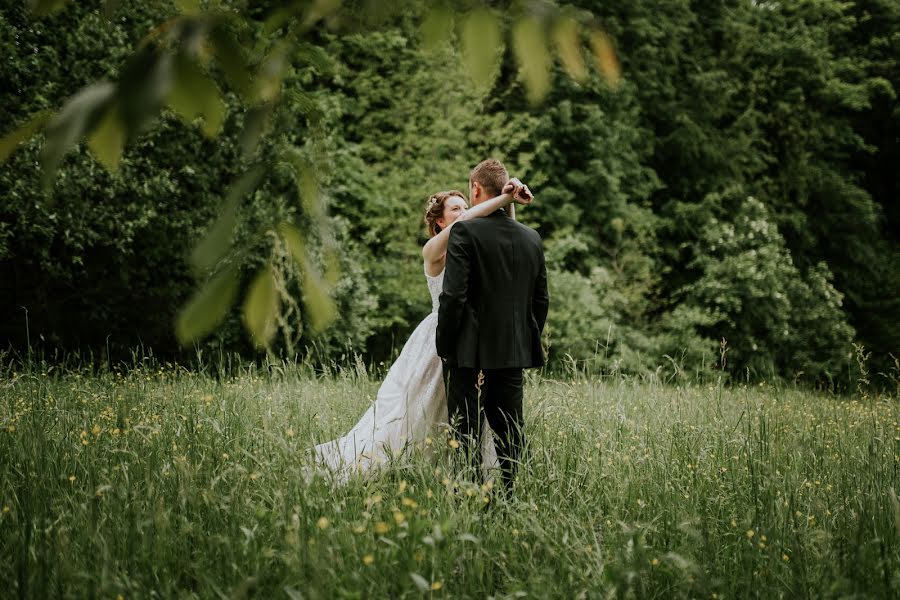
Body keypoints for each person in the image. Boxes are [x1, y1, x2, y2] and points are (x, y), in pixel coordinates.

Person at [313, 179, 533, 481]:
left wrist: (509, 205)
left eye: (465, 206)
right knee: (419, 410)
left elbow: (507, 239)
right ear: (439, 221)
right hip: (439, 339)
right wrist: (504, 198)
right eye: (456, 208)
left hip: (472, 340)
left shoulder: (469, 248)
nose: (465, 211)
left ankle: (459, 473)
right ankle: (403, 467)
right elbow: (467, 224)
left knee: (468, 414)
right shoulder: (433, 250)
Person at [436, 159, 549, 493]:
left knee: (465, 429)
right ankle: (511, 494)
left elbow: (453, 296)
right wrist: (525, 337)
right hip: (512, 348)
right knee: (510, 428)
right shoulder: (531, 238)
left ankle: (468, 495)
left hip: (467, 350)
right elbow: (540, 300)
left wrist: (445, 344)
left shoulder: (464, 231)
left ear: (475, 189)